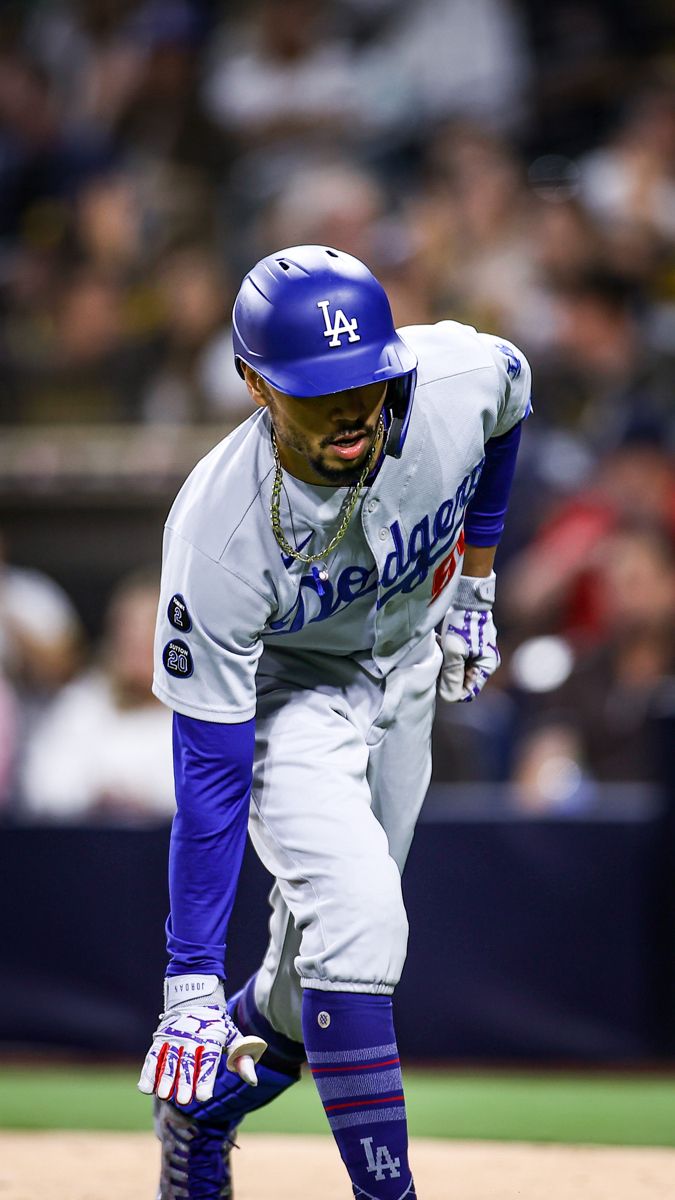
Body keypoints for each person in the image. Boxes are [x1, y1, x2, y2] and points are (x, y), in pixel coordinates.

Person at [138, 245, 531, 1199]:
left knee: (306, 976)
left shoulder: (452, 378)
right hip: (287, 697)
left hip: (404, 673)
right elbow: (213, 774)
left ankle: (202, 1114)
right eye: (316, 392)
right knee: (358, 923)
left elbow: (513, 398)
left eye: (366, 379)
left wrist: (478, 577)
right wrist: (188, 975)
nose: (352, 409)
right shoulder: (215, 536)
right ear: (253, 384)